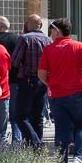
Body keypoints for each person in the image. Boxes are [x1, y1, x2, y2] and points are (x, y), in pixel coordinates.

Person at [38, 18, 82, 163]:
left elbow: (41, 73)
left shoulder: (49, 49)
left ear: (57, 31)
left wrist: (50, 84)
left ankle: (62, 162)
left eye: (52, 30)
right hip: (78, 92)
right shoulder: (79, 46)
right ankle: (79, 157)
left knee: (61, 127)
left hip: (56, 94)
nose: (50, 34)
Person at [11, 15, 51, 147]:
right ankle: (36, 149)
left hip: (28, 80)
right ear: (40, 25)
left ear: (28, 24)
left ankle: (36, 144)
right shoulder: (48, 40)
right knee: (38, 116)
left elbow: (15, 61)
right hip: (43, 81)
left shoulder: (25, 38)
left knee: (21, 116)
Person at [0, 16, 22, 142]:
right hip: (14, 81)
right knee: (14, 115)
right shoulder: (17, 39)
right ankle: (17, 142)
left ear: (0, 27)